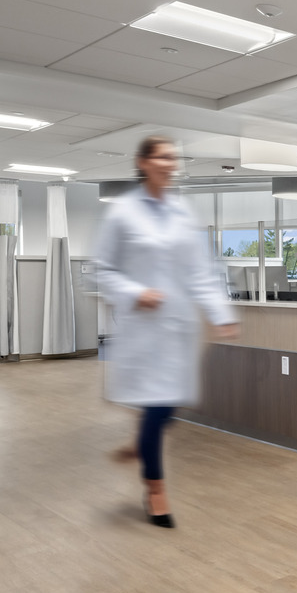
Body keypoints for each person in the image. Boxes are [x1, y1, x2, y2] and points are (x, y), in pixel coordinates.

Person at [96, 136, 237, 528]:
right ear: (143, 162)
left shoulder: (182, 213)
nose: (169, 162)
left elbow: (201, 272)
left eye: (174, 156)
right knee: (158, 409)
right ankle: (155, 490)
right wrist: (135, 292)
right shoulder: (123, 213)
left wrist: (221, 313)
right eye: (162, 156)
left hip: (179, 328)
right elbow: (103, 270)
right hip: (143, 327)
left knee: (170, 405)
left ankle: (141, 443)